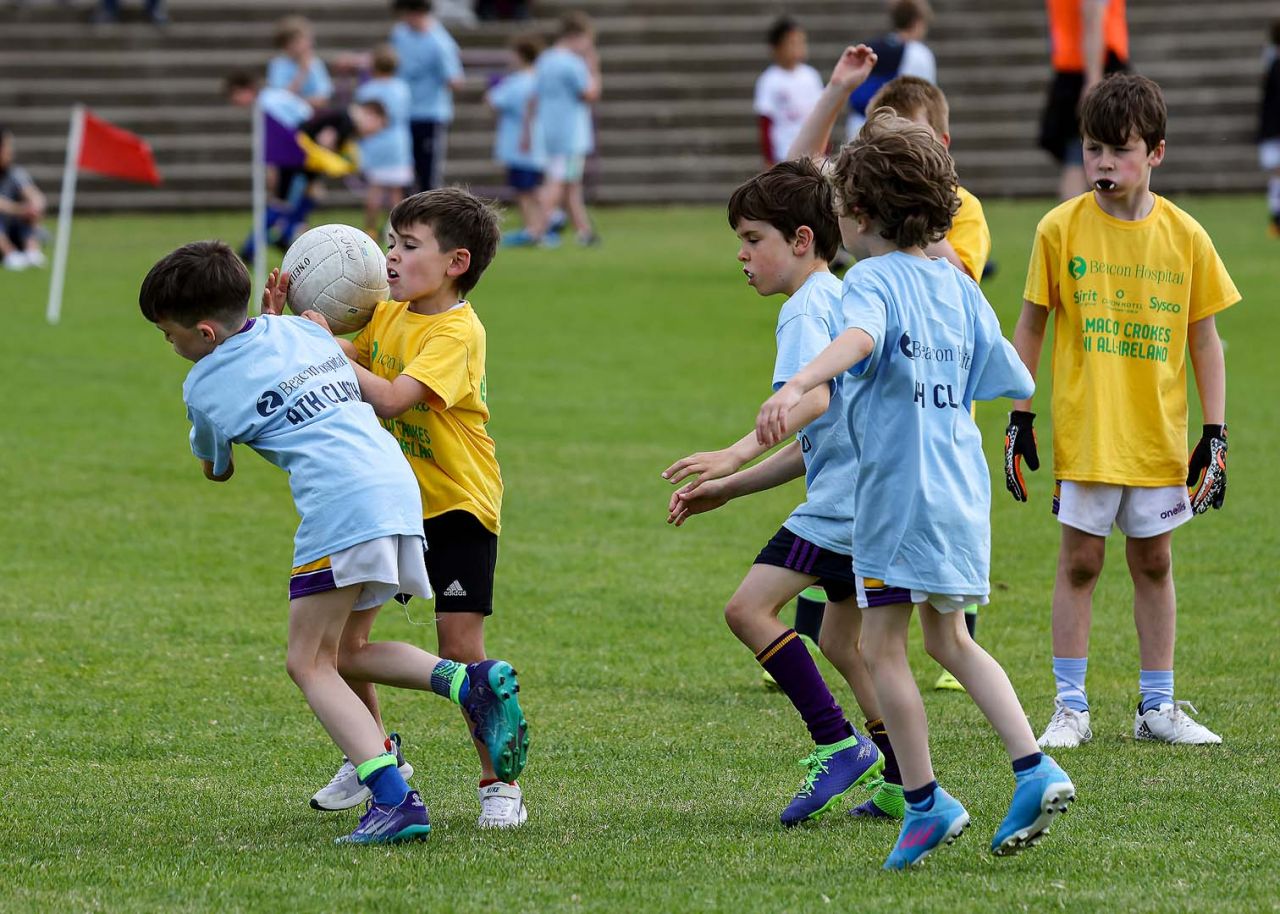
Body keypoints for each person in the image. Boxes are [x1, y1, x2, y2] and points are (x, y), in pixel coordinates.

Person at [756, 110, 1075, 870]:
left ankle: (926, 802)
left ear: (860, 216)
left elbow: (860, 338)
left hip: (897, 497)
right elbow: (1015, 378)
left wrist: (805, 377)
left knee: (880, 645)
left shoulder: (871, 280)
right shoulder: (959, 286)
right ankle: (1035, 766)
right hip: (961, 495)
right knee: (951, 640)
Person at [140, 240, 529, 844]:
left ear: (207, 332)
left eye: (171, 335)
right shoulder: (301, 334)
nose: (172, 347)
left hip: (341, 510)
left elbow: (217, 468)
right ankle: (460, 687)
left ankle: (396, 794)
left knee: (307, 662)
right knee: (347, 649)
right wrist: (280, 329)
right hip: (399, 493)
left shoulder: (204, 385)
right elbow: (294, 344)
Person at [283, 189, 529, 829]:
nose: (389, 258)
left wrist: (332, 350)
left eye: (407, 246)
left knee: (461, 647)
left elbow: (391, 398)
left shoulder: (457, 329)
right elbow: (333, 369)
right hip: (389, 504)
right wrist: (285, 323)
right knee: (343, 645)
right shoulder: (384, 314)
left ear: (456, 262)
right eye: (391, 243)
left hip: (457, 506)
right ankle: (377, 757)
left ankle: (500, 786)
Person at [664, 159, 900, 825]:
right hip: (870, 500)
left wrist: (733, 451)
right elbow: (818, 439)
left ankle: (837, 742)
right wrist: (731, 488)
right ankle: (905, 781)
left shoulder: (804, 310)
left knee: (748, 611)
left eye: (751, 239)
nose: (741, 256)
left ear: (800, 240)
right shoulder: (840, 295)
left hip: (842, 509)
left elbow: (812, 400)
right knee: (845, 645)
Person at [1007, 73, 1240, 749]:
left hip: (1155, 435)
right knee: (1080, 562)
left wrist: (1214, 435)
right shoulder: (1059, 228)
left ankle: (1157, 707)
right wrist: (1019, 414)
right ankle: (1070, 708)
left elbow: (1206, 339)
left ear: (1156, 153)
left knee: (1155, 563)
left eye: (1121, 150)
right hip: (1089, 431)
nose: (1104, 164)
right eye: (1092, 149)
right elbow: (1030, 327)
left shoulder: (1186, 236)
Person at [789, 54, 994, 691]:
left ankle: (921, 773)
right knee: (847, 517)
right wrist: (836, 91)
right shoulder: (867, 233)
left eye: (908, 148)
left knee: (923, 624)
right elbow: (793, 173)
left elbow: (958, 281)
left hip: (930, 431)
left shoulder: (958, 215)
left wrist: (915, 209)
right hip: (870, 420)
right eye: (884, 149)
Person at [1039, 0, 1129, 200]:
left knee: (1078, 156)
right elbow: (1093, 15)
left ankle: (1073, 225)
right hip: (1094, 67)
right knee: (1088, 156)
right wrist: (1093, 79)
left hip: (1072, 66)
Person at [535, 11, 601, 246]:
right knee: (558, 182)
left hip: (551, 128)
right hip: (571, 133)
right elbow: (590, 93)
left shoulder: (545, 59)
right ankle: (539, 230)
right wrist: (593, 68)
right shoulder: (573, 63)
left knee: (571, 184)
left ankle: (584, 232)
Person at [390, 0, 463, 192]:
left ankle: (428, 218)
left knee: (427, 174)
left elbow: (455, 80)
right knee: (404, 172)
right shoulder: (400, 33)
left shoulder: (440, 43)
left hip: (429, 114)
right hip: (405, 112)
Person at [487, 33, 551, 246]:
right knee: (533, 188)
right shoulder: (539, 79)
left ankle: (533, 229)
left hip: (521, 145)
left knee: (525, 190)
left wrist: (494, 85)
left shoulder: (518, 82)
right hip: (536, 144)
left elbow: (493, 101)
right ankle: (540, 227)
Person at [844, 0, 936, 141]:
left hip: (859, 125)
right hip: (897, 131)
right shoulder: (918, 53)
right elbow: (922, 99)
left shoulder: (871, 47)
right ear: (917, 22)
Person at [355, 45, 414, 237]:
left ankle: (370, 229)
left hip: (374, 142)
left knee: (375, 188)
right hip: (397, 142)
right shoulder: (402, 88)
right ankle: (395, 227)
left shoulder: (366, 90)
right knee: (396, 190)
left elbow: (360, 118)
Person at [753, 17, 824, 169]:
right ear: (777, 47)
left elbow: (822, 114)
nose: (798, 47)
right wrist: (769, 158)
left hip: (812, 152)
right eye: (792, 43)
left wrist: (825, 147)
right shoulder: (769, 80)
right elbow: (766, 121)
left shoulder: (811, 76)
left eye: (801, 42)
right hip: (784, 154)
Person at [0, 126, 47, 271]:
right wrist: (20, 209)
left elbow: (34, 194)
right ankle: (10, 254)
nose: (10, 151)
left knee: (31, 208)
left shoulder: (15, 173)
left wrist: (35, 205)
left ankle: (31, 251)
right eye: (7, 147)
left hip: (13, 228)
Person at [267, 15, 334, 109]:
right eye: (301, 40)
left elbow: (323, 99)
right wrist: (302, 72)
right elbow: (280, 100)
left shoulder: (316, 63)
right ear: (287, 44)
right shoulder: (278, 65)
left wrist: (297, 101)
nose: (308, 44)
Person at [1260, 20, 1280, 236]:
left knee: (1276, 177)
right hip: (1274, 130)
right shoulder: (1272, 63)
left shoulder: (1271, 62)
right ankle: (1276, 219)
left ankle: (1276, 219)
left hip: (1271, 130)